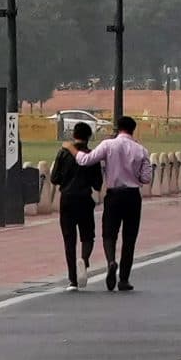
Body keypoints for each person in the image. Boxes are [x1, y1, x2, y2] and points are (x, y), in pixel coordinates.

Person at [75, 115, 155, 291]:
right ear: (133, 130)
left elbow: (85, 161)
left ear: (117, 129)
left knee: (109, 234)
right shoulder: (141, 150)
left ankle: (111, 261)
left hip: (114, 195)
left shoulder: (108, 145)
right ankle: (124, 279)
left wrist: (75, 150)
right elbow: (146, 178)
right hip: (133, 196)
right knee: (130, 238)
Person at [49, 122, 103, 288]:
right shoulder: (92, 156)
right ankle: (84, 259)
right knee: (88, 235)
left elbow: (54, 178)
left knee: (69, 239)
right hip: (84, 199)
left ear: (74, 135)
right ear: (89, 137)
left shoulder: (63, 154)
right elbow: (97, 184)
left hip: (67, 199)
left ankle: (72, 278)